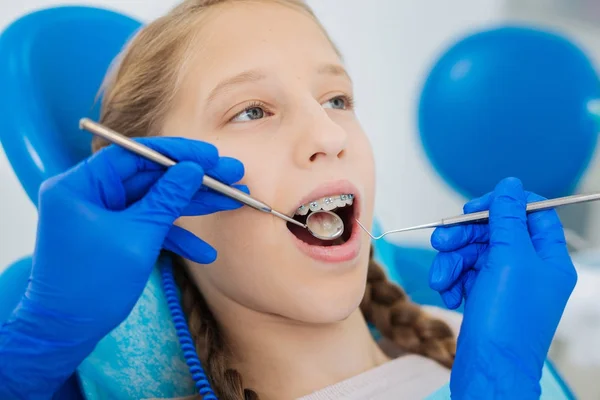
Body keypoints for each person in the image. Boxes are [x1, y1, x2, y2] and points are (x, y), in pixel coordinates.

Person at [0, 0, 577, 399]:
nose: (329, 136)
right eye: (252, 111)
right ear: (160, 190)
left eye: (336, 99)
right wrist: (39, 342)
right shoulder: (497, 362)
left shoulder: (468, 331)